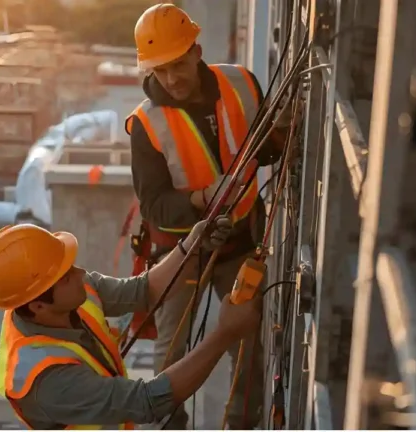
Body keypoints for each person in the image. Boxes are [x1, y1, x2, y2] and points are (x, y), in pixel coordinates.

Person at [125, 3, 299, 429]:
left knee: (249, 340)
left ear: (196, 51)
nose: (170, 79)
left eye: (177, 65)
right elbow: (155, 207)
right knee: (171, 352)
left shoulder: (240, 83)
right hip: (182, 251)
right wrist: (203, 199)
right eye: (159, 70)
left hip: (239, 240)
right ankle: (169, 425)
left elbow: (267, 150)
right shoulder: (146, 124)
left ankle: (240, 425)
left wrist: (282, 131)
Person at [0, 215, 263, 429]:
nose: (80, 273)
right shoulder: (47, 381)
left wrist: (190, 246)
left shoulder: (56, 295)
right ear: (38, 305)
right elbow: (148, 401)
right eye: (65, 276)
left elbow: (141, 291)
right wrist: (225, 333)